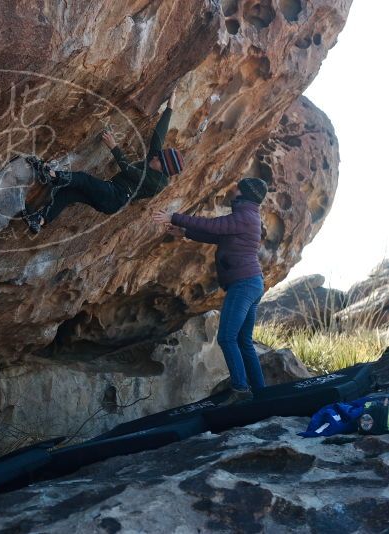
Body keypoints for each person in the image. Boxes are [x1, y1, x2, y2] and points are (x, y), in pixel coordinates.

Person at [153, 177, 270, 406]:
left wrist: (173, 216)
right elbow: (217, 235)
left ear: (244, 193)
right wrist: (184, 231)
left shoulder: (244, 216)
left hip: (244, 284)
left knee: (227, 338)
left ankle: (241, 390)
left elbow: (214, 226)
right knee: (244, 341)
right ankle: (261, 393)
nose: (233, 187)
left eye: (238, 186)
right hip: (252, 282)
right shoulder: (247, 216)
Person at [22, 90, 184, 233]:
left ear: (163, 169)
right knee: (68, 193)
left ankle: (50, 175)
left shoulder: (158, 182)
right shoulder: (156, 162)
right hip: (110, 191)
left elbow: (129, 170)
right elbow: (158, 136)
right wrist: (170, 107)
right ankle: (40, 220)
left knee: (83, 179)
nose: (155, 156)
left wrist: (114, 146)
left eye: (159, 159)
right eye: (158, 155)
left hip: (115, 198)